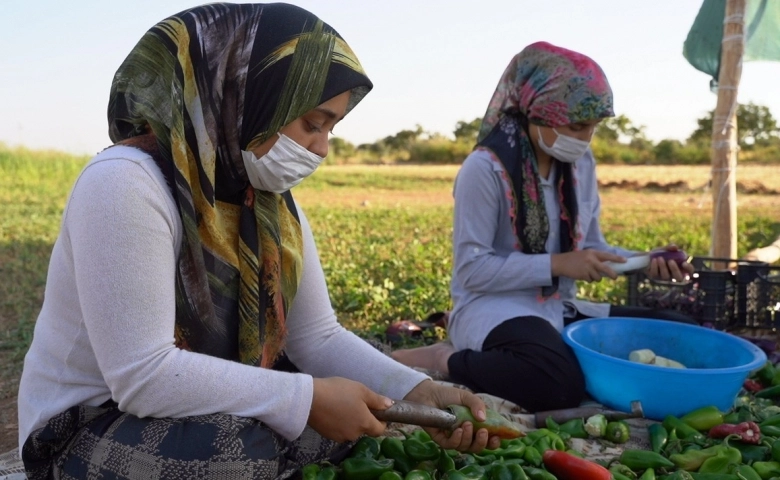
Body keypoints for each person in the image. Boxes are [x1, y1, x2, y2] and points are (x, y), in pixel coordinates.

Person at [17, 4, 500, 479]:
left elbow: (317, 337)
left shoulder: (269, 201)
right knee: (243, 448)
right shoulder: (123, 184)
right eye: (312, 122)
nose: (322, 147)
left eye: (332, 127)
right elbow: (142, 375)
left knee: (347, 407)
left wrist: (415, 390)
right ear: (248, 96)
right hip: (90, 423)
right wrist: (307, 399)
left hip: (201, 406)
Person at [391, 42, 695, 413]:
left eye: (594, 128)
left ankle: (553, 352)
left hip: (557, 306)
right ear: (538, 113)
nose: (585, 139)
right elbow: (472, 270)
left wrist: (643, 261)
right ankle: (443, 358)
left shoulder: (580, 165)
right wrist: (557, 264)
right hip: (491, 307)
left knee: (680, 329)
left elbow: (593, 245)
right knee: (557, 384)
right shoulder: (484, 169)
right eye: (577, 126)